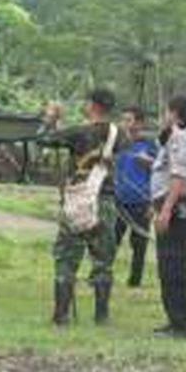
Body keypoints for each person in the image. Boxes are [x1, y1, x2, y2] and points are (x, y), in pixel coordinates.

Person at [41, 89, 126, 327]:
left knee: (66, 258)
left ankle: (61, 316)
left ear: (93, 105)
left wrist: (50, 118)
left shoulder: (78, 132)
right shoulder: (118, 134)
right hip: (106, 202)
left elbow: (43, 139)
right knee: (103, 261)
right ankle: (101, 316)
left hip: (79, 201)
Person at [151, 96, 186, 339]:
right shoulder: (182, 137)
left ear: (174, 113)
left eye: (166, 112)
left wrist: (166, 210)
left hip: (178, 213)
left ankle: (179, 324)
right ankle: (178, 320)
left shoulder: (181, 137)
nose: (164, 116)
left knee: (172, 268)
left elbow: (179, 178)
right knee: (176, 267)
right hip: (178, 210)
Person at [114, 107, 158, 287]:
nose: (125, 123)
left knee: (139, 244)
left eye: (129, 120)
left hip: (141, 202)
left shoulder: (149, 144)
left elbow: (160, 172)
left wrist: (149, 162)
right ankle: (101, 275)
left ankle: (135, 280)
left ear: (140, 123)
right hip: (118, 200)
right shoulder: (117, 143)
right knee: (110, 240)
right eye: (123, 119)